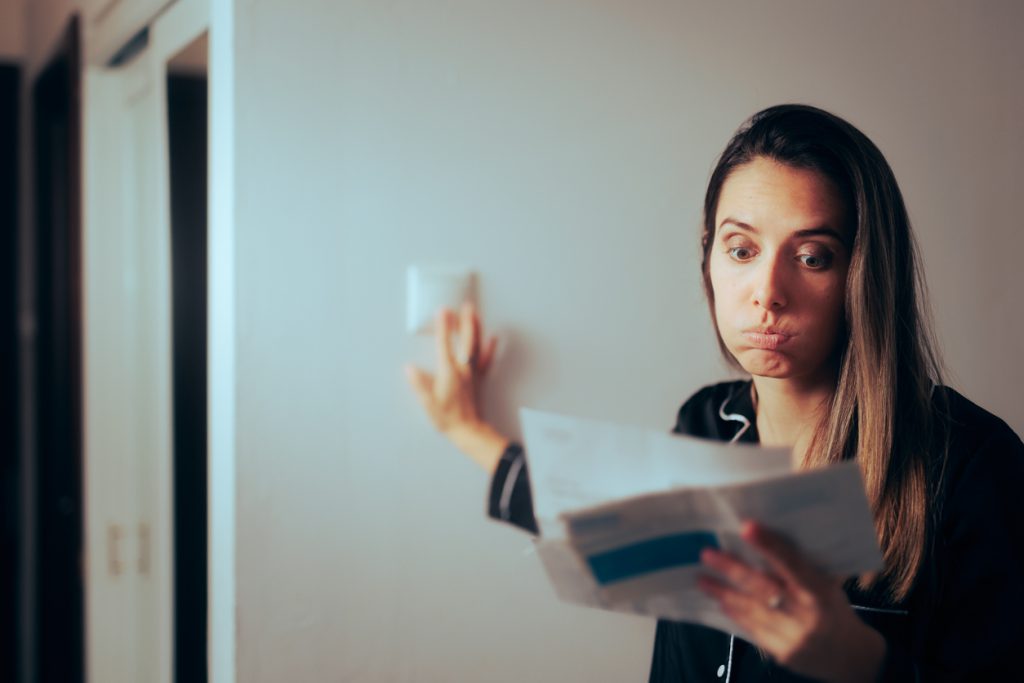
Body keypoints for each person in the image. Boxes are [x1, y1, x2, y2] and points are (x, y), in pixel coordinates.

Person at [404, 104, 1024, 681]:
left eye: (813, 256)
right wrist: (466, 429)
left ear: (865, 273)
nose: (767, 292)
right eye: (742, 249)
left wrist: (860, 662)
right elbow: (593, 522)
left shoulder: (974, 467)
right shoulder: (704, 421)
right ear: (709, 259)